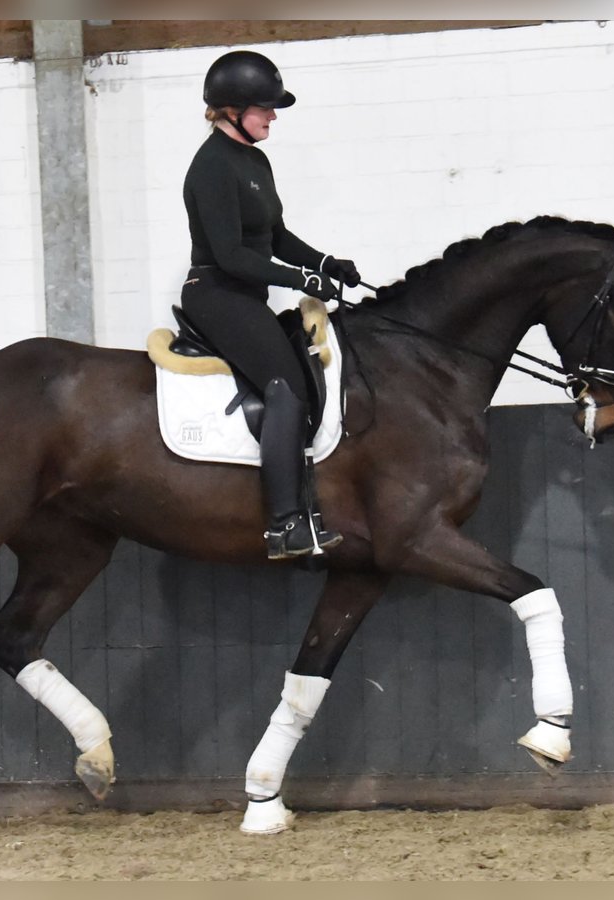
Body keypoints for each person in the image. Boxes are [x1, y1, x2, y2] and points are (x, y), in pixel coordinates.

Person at [179, 50, 361, 559]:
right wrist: (301, 278)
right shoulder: (211, 166)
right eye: (265, 108)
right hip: (216, 293)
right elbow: (234, 256)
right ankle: (283, 525)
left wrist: (325, 263)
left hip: (243, 293)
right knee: (286, 387)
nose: (273, 116)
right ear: (231, 110)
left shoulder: (255, 160)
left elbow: (274, 236)